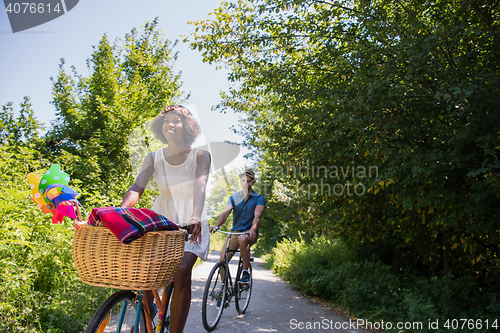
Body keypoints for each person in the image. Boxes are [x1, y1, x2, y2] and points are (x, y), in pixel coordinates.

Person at [120, 105, 211, 333]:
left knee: (181, 270)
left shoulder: (201, 155)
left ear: (187, 126)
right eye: (166, 120)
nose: (170, 123)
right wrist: (120, 212)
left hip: (193, 217)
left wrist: (195, 216)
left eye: (176, 120)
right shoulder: (153, 157)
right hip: (163, 216)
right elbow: (137, 188)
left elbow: (200, 186)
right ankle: (148, 320)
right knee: (146, 269)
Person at [209, 169, 266, 284]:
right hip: (235, 232)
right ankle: (224, 290)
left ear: (253, 183)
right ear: (240, 181)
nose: (245, 183)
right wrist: (216, 226)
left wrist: (252, 230)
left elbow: (257, 216)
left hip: (250, 233)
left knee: (243, 238)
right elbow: (225, 213)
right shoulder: (234, 198)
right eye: (243, 181)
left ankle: (245, 272)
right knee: (222, 260)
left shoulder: (259, 198)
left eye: (249, 181)